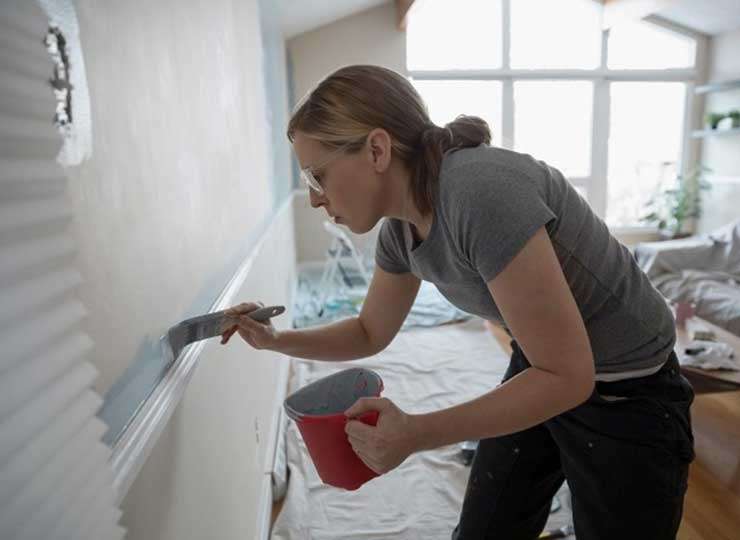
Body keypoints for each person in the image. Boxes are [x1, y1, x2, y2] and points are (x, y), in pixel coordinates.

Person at [220, 65, 695, 540]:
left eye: (316, 175)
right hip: (545, 366)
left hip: (630, 387)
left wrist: (417, 432)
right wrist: (276, 340)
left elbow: (568, 378)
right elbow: (369, 331)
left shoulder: (478, 193)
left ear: (377, 150)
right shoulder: (400, 234)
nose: (314, 199)